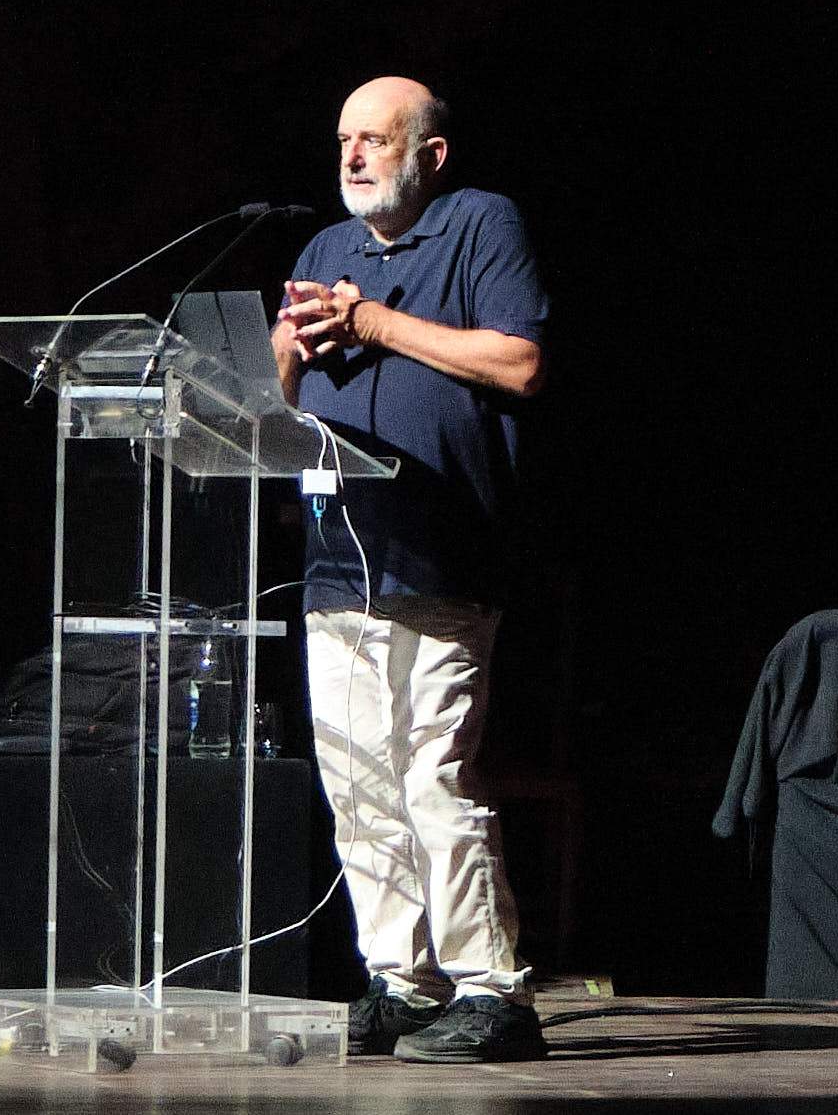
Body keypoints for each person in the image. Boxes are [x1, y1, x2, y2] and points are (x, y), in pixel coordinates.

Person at [280, 74, 555, 1063]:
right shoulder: (322, 249)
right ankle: (403, 982)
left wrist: (375, 325)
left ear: (426, 156)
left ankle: (494, 993)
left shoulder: (479, 224)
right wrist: (276, 349)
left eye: (374, 140)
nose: (352, 156)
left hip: (443, 551)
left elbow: (519, 364)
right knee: (359, 786)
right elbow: (274, 400)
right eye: (343, 138)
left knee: (432, 776)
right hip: (337, 560)